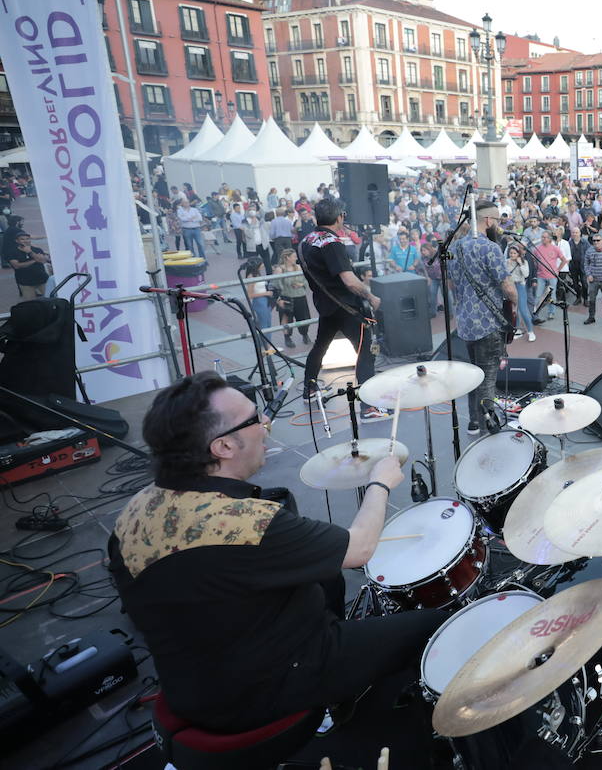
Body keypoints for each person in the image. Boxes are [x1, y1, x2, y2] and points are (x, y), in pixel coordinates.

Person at [107, 373, 445, 732]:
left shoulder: (135, 509)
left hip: (192, 683)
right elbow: (360, 548)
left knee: (324, 574)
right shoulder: (243, 523)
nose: (266, 423)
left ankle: (339, 691)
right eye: (255, 419)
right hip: (260, 687)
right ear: (223, 447)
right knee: (433, 626)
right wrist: (380, 482)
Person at [299, 199, 384, 419]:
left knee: (320, 346)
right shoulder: (332, 243)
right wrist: (371, 296)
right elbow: (349, 280)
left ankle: (309, 388)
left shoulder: (306, 241)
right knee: (365, 352)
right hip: (347, 307)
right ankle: (368, 406)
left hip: (326, 306)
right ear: (339, 217)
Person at [449, 201, 519, 433]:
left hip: (466, 324)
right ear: (488, 220)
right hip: (488, 323)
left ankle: (473, 421)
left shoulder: (455, 247)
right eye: (497, 220)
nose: (498, 225)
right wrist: (516, 305)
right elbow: (508, 287)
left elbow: (451, 284)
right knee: (488, 378)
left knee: (473, 374)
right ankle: (489, 426)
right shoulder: (490, 248)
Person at [274, 248, 311, 348]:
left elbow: (306, 281)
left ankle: (305, 335)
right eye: (294, 257)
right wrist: (278, 299)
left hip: (300, 297)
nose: (296, 258)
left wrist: (301, 284)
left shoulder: (299, 268)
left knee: (304, 318)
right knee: (286, 318)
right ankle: (287, 338)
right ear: (287, 258)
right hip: (286, 297)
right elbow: (275, 285)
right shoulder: (280, 269)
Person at [4, 232, 49, 299]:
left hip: (42, 280)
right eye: (22, 239)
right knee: (30, 304)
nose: (25, 241)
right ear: (17, 241)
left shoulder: (36, 249)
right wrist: (34, 260)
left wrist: (30, 252)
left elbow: (43, 260)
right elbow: (17, 266)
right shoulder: (12, 252)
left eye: (27, 239)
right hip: (25, 282)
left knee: (49, 300)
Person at [505, 244, 536, 342]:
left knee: (523, 310)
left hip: (520, 286)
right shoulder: (506, 262)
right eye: (511, 253)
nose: (512, 255)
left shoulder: (524, 262)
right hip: (510, 286)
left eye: (514, 253)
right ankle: (517, 330)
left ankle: (530, 331)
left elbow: (526, 274)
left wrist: (521, 264)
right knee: (514, 310)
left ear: (518, 254)